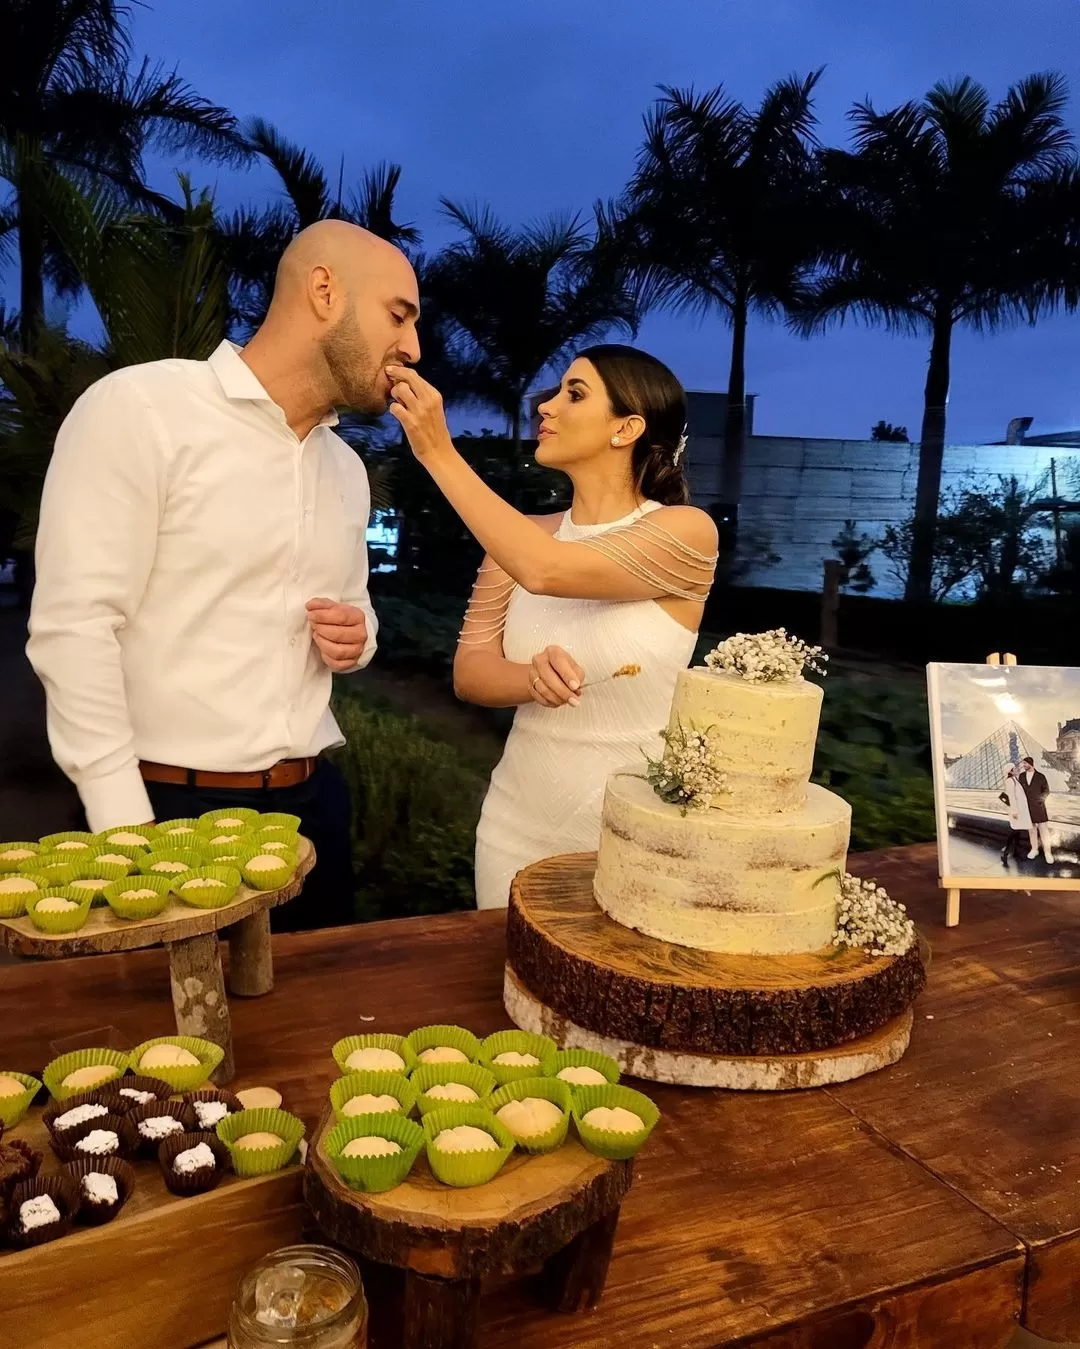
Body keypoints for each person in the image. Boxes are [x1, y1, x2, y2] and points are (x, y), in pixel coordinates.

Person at [27, 220, 422, 929]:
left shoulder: (345, 468)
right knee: (165, 1038)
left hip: (313, 811)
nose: (414, 350)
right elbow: (74, 625)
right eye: (400, 315)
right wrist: (125, 826)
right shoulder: (143, 409)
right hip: (167, 813)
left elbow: (355, 611)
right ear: (325, 291)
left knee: (311, 1033)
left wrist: (357, 636)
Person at [384, 344, 718, 909]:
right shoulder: (520, 538)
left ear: (627, 428)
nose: (548, 405)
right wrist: (529, 680)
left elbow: (545, 571)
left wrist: (438, 452)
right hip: (516, 825)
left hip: (631, 834)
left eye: (575, 394)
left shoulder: (686, 532)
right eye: (557, 389)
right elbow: (471, 673)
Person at [1018, 756, 1054, 863]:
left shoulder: (1041, 776)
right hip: (1027, 808)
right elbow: (1019, 792)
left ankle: (1048, 852)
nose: (1023, 765)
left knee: (1044, 831)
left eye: (1025, 763)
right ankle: (1034, 849)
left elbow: (1046, 791)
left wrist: (1040, 801)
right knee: (1032, 830)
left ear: (1030, 763)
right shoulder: (1022, 776)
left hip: (1039, 807)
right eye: (1023, 764)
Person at [998, 763, 1035, 865]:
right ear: (1010, 771)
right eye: (1014, 768)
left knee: (1017, 832)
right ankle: (1005, 855)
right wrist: (1014, 811)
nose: (1016, 769)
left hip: (1020, 810)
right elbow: (1012, 797)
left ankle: (1015, 852)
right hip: (1016, 811)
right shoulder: (1010, 781)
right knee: (1014, 831)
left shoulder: (1015, 779)